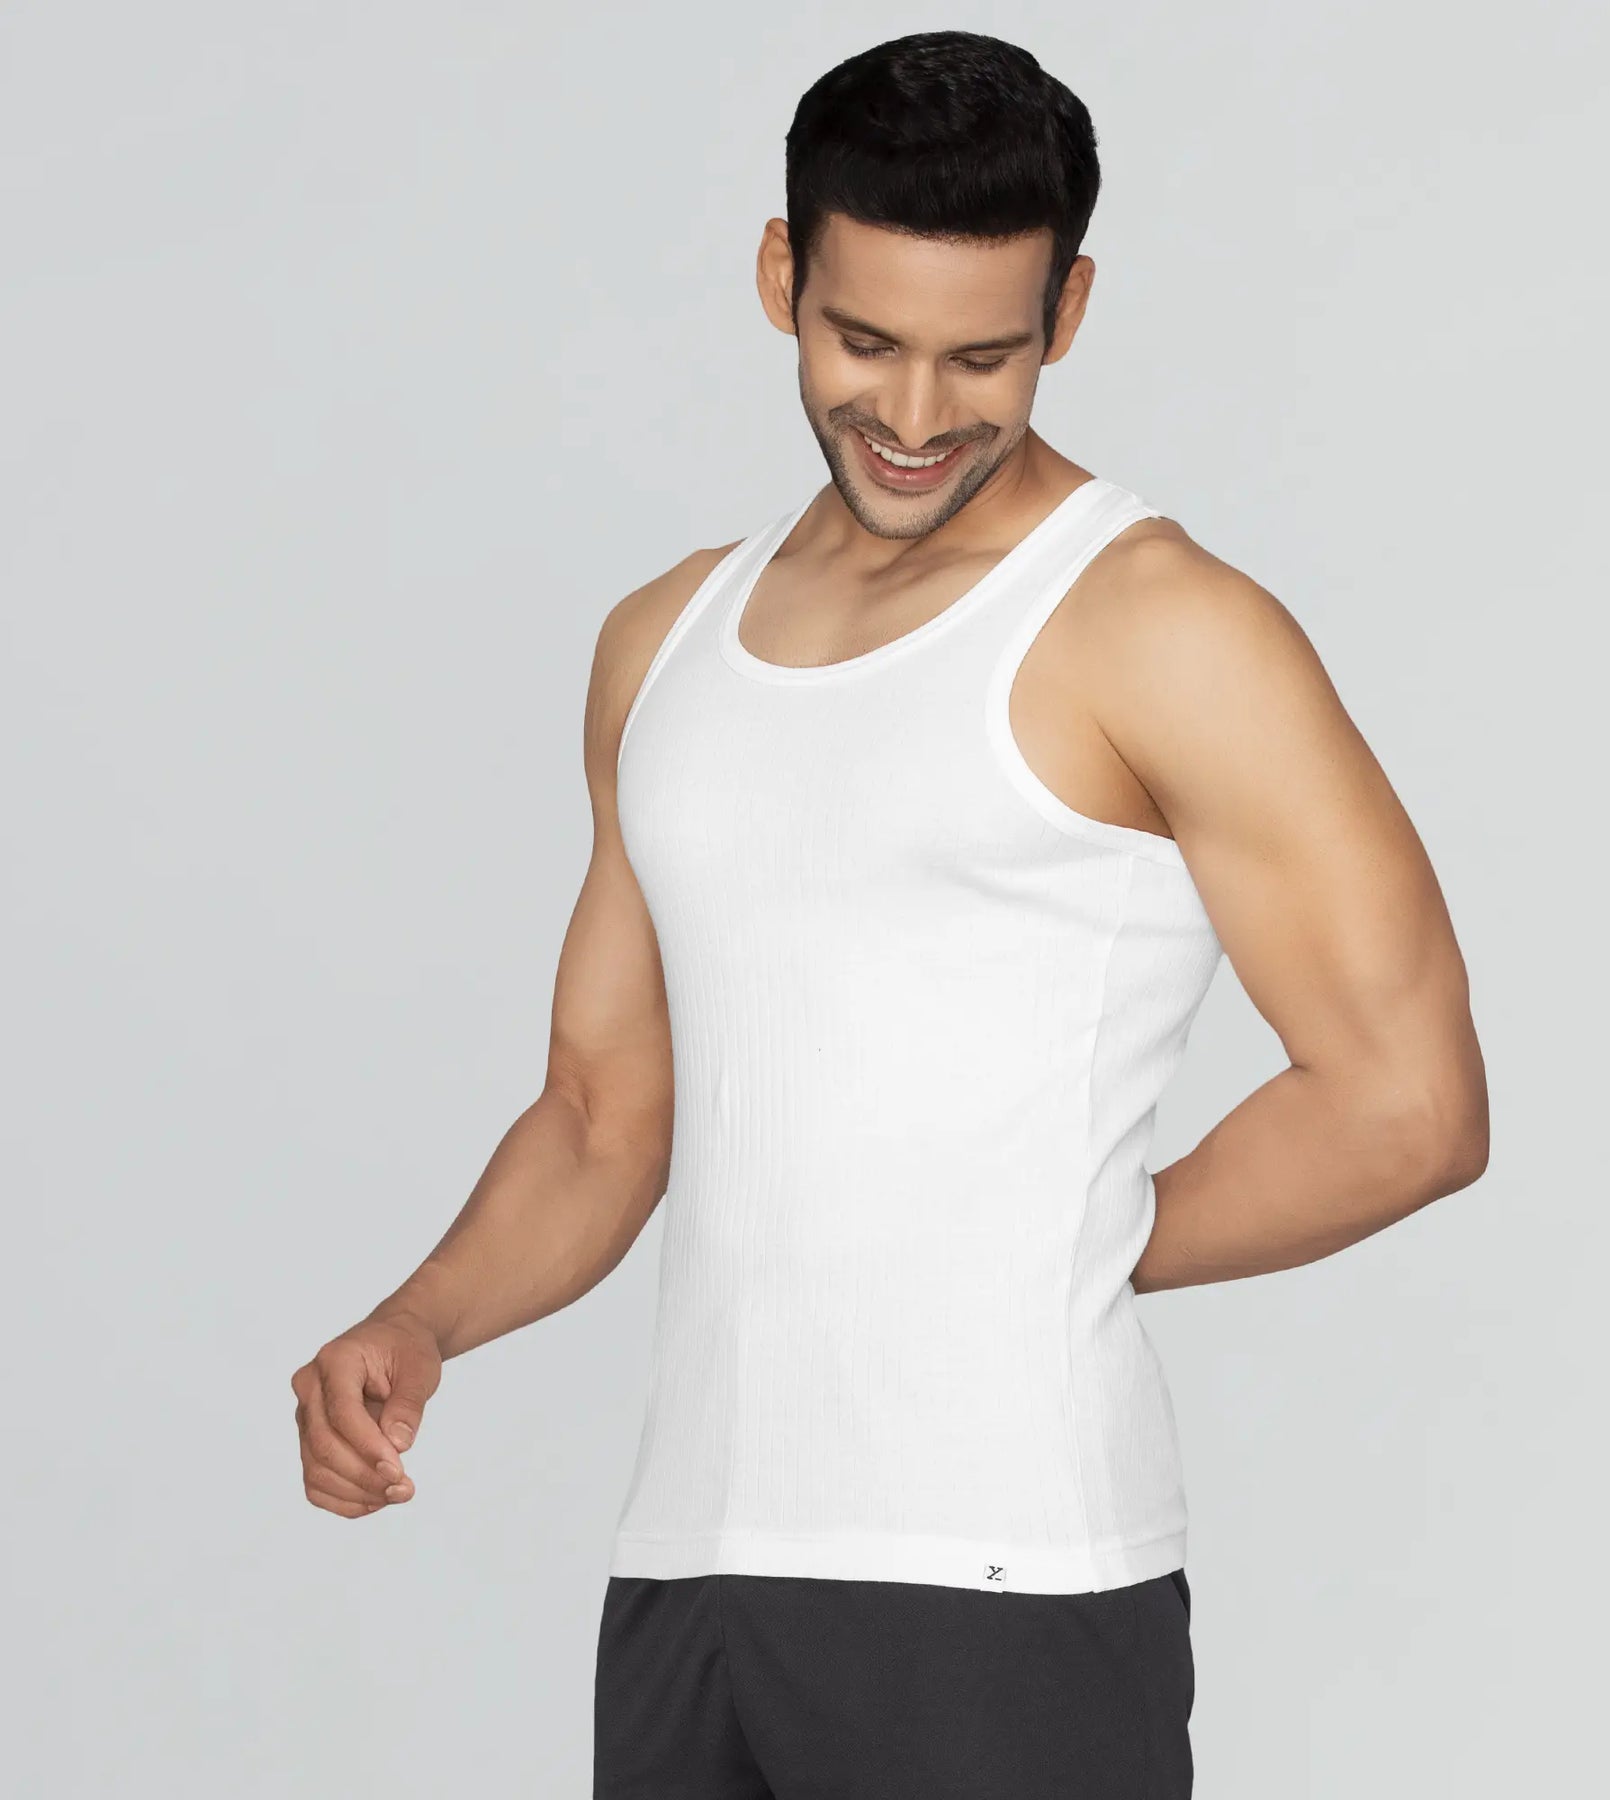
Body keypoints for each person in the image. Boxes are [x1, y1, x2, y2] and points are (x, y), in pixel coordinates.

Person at [290, 28, 1488, 1799]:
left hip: (1006, 1583)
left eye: (981, 357)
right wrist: (421, 1318)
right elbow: (606, 1113)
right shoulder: (666, 643)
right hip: (692, 1569)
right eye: (865, 343)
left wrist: (1077, 1234)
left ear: (1069, 310)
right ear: (782, 275)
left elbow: (1410, 1103)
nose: (917, 418)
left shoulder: (1161, 627)